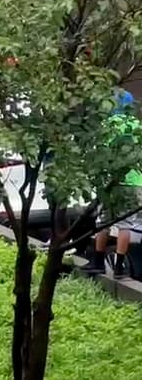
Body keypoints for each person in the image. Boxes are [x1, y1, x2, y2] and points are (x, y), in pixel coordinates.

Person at [85, 90, 142, 279]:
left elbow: (100, 153)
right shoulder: (136, 126)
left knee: (104, 222)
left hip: (110, 181)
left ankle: (98, 262)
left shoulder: (107, 125)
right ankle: (119, 268)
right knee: (126, 225)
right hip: (133, 182)